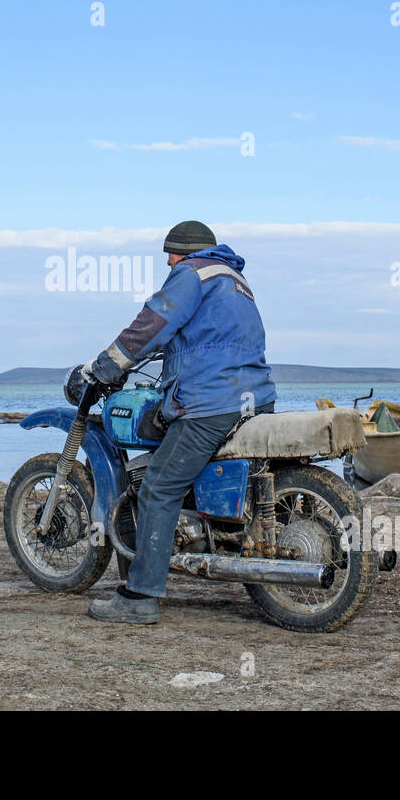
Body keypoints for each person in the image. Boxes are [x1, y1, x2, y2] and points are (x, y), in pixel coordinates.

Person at [82, 221, 277, 625]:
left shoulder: (191, 274)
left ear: (186, 252)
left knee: (158, 486)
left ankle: (140, 597)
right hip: (255, 398)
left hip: (210, 403)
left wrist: (105, 366)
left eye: (171, 253)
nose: (168, 261)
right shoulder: (235, 280)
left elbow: (150, 326)